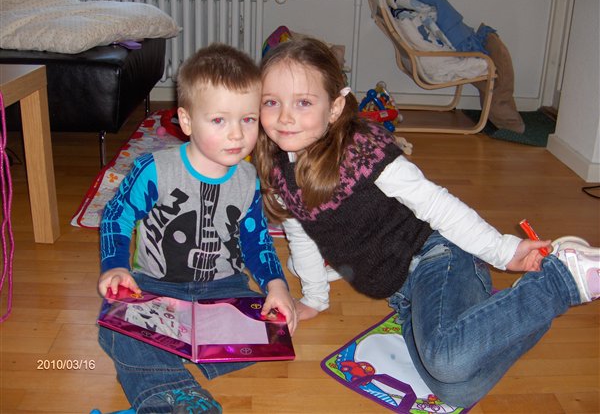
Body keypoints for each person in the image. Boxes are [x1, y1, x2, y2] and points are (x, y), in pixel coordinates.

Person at [254, 37, 600, 407]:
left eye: (303, 102)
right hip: (403, 295)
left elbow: (438, 205)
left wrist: (504, 251)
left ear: (335, 107)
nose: (284, 117)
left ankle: (562, 278)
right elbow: (301, 231)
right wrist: (315, 298)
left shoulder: (362, 150)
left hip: (438, 257)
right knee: (455, 390)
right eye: (271, 102)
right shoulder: (278, 167)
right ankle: (516, 312)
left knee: (447, 361)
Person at [97, 43, 297, 413]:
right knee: (115, 325)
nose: (237, 135)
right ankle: (175, 396)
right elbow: (116, 216)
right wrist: (116, 267)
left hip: (225, 291)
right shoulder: (154, 170)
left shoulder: (249, 179)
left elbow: (256, 241)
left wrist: (277, 285)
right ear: (187, 122)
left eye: (248, 119)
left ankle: (166, 352)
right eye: (219, 120)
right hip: (155, 287)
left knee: (274, 328)